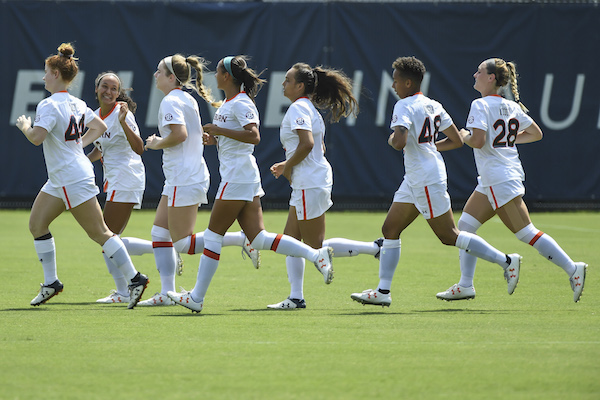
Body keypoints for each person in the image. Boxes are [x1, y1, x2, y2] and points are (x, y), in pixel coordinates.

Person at [167, 55, 334, 313]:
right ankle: (315, 255)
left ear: (227, 77)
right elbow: (237, 137)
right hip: (239, 175)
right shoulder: (229, 103)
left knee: (212, 235)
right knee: (258, 238)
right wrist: (217, 140)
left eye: (220, 70)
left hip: (238, 175)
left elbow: (253, 136)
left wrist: (220, 132)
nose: (216, 75)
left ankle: (197, 297)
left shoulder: (242, 102)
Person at [350, 56, 521, 307]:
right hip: (418, 176)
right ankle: (383, 291)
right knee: (390, 230)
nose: (393, 86)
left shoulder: (404, 105)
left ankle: (506, 261)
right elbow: (456, 139)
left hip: (425, 178)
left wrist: (395, 141)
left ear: (408, 83)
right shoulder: (433, 104)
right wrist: (428, 148)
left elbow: (398, 142)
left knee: (449, 235)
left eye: (396, 81)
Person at [436, 58, 587, 303]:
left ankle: (572, 269)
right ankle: (465, 285)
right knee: (465, 227)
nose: (475, 75)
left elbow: (476, 140)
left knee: (526, 233)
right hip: (495, 178)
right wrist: (503, 141)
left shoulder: (480, 104)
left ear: (491, 78)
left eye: (479, 72)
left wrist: (463, 135)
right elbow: (535, 133)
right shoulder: (511, 106)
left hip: (499, 178)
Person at [15, 43, 148, 309]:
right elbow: (98, 126)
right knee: (36, 225)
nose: (43, 77)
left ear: (55, 73)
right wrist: (77, 146)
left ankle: (135, 279)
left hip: (72, 177)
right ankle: (51, 282)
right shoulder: (76, 103)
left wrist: (25, 127)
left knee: (100, 233)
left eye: (46, 72)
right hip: (62, 177)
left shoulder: (48, 104)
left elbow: (37, 139)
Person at [142, 54, 259, 307]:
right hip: (182, 175)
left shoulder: (172, 100)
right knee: (159, 232)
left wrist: (155, 144)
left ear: (172, 77)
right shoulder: (185, 98)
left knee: (182, 243)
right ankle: (166, 293)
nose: (155, 75)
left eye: (159, 71)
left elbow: (180, 135)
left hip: (184, 177)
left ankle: (240, 238)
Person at [267, 62, 380, 309]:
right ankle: (295, 297)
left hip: (309, 182)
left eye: (287, 80)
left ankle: (374, 248)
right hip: (308, 181)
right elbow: (320, 148)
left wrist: (286, 165)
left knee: (314, 248)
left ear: (299, 86)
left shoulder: (299, 108)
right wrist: (292, 168)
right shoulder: (307, 108)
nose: (283, 84)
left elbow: (307, 145)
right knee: (291, 241)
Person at [86, 71, 179, 304]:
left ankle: (123, 291)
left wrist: (123, 123)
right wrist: (78, 162)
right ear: (96, 89)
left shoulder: (122, 113)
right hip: (115, 179)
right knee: (109, 238)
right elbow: (99, 149)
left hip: (127, 177)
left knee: (108, 238)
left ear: (119, 93)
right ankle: (164, 250)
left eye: (114, 88)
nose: (109, 92)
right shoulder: (95, 115)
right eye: (104, 86)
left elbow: (139, 148)